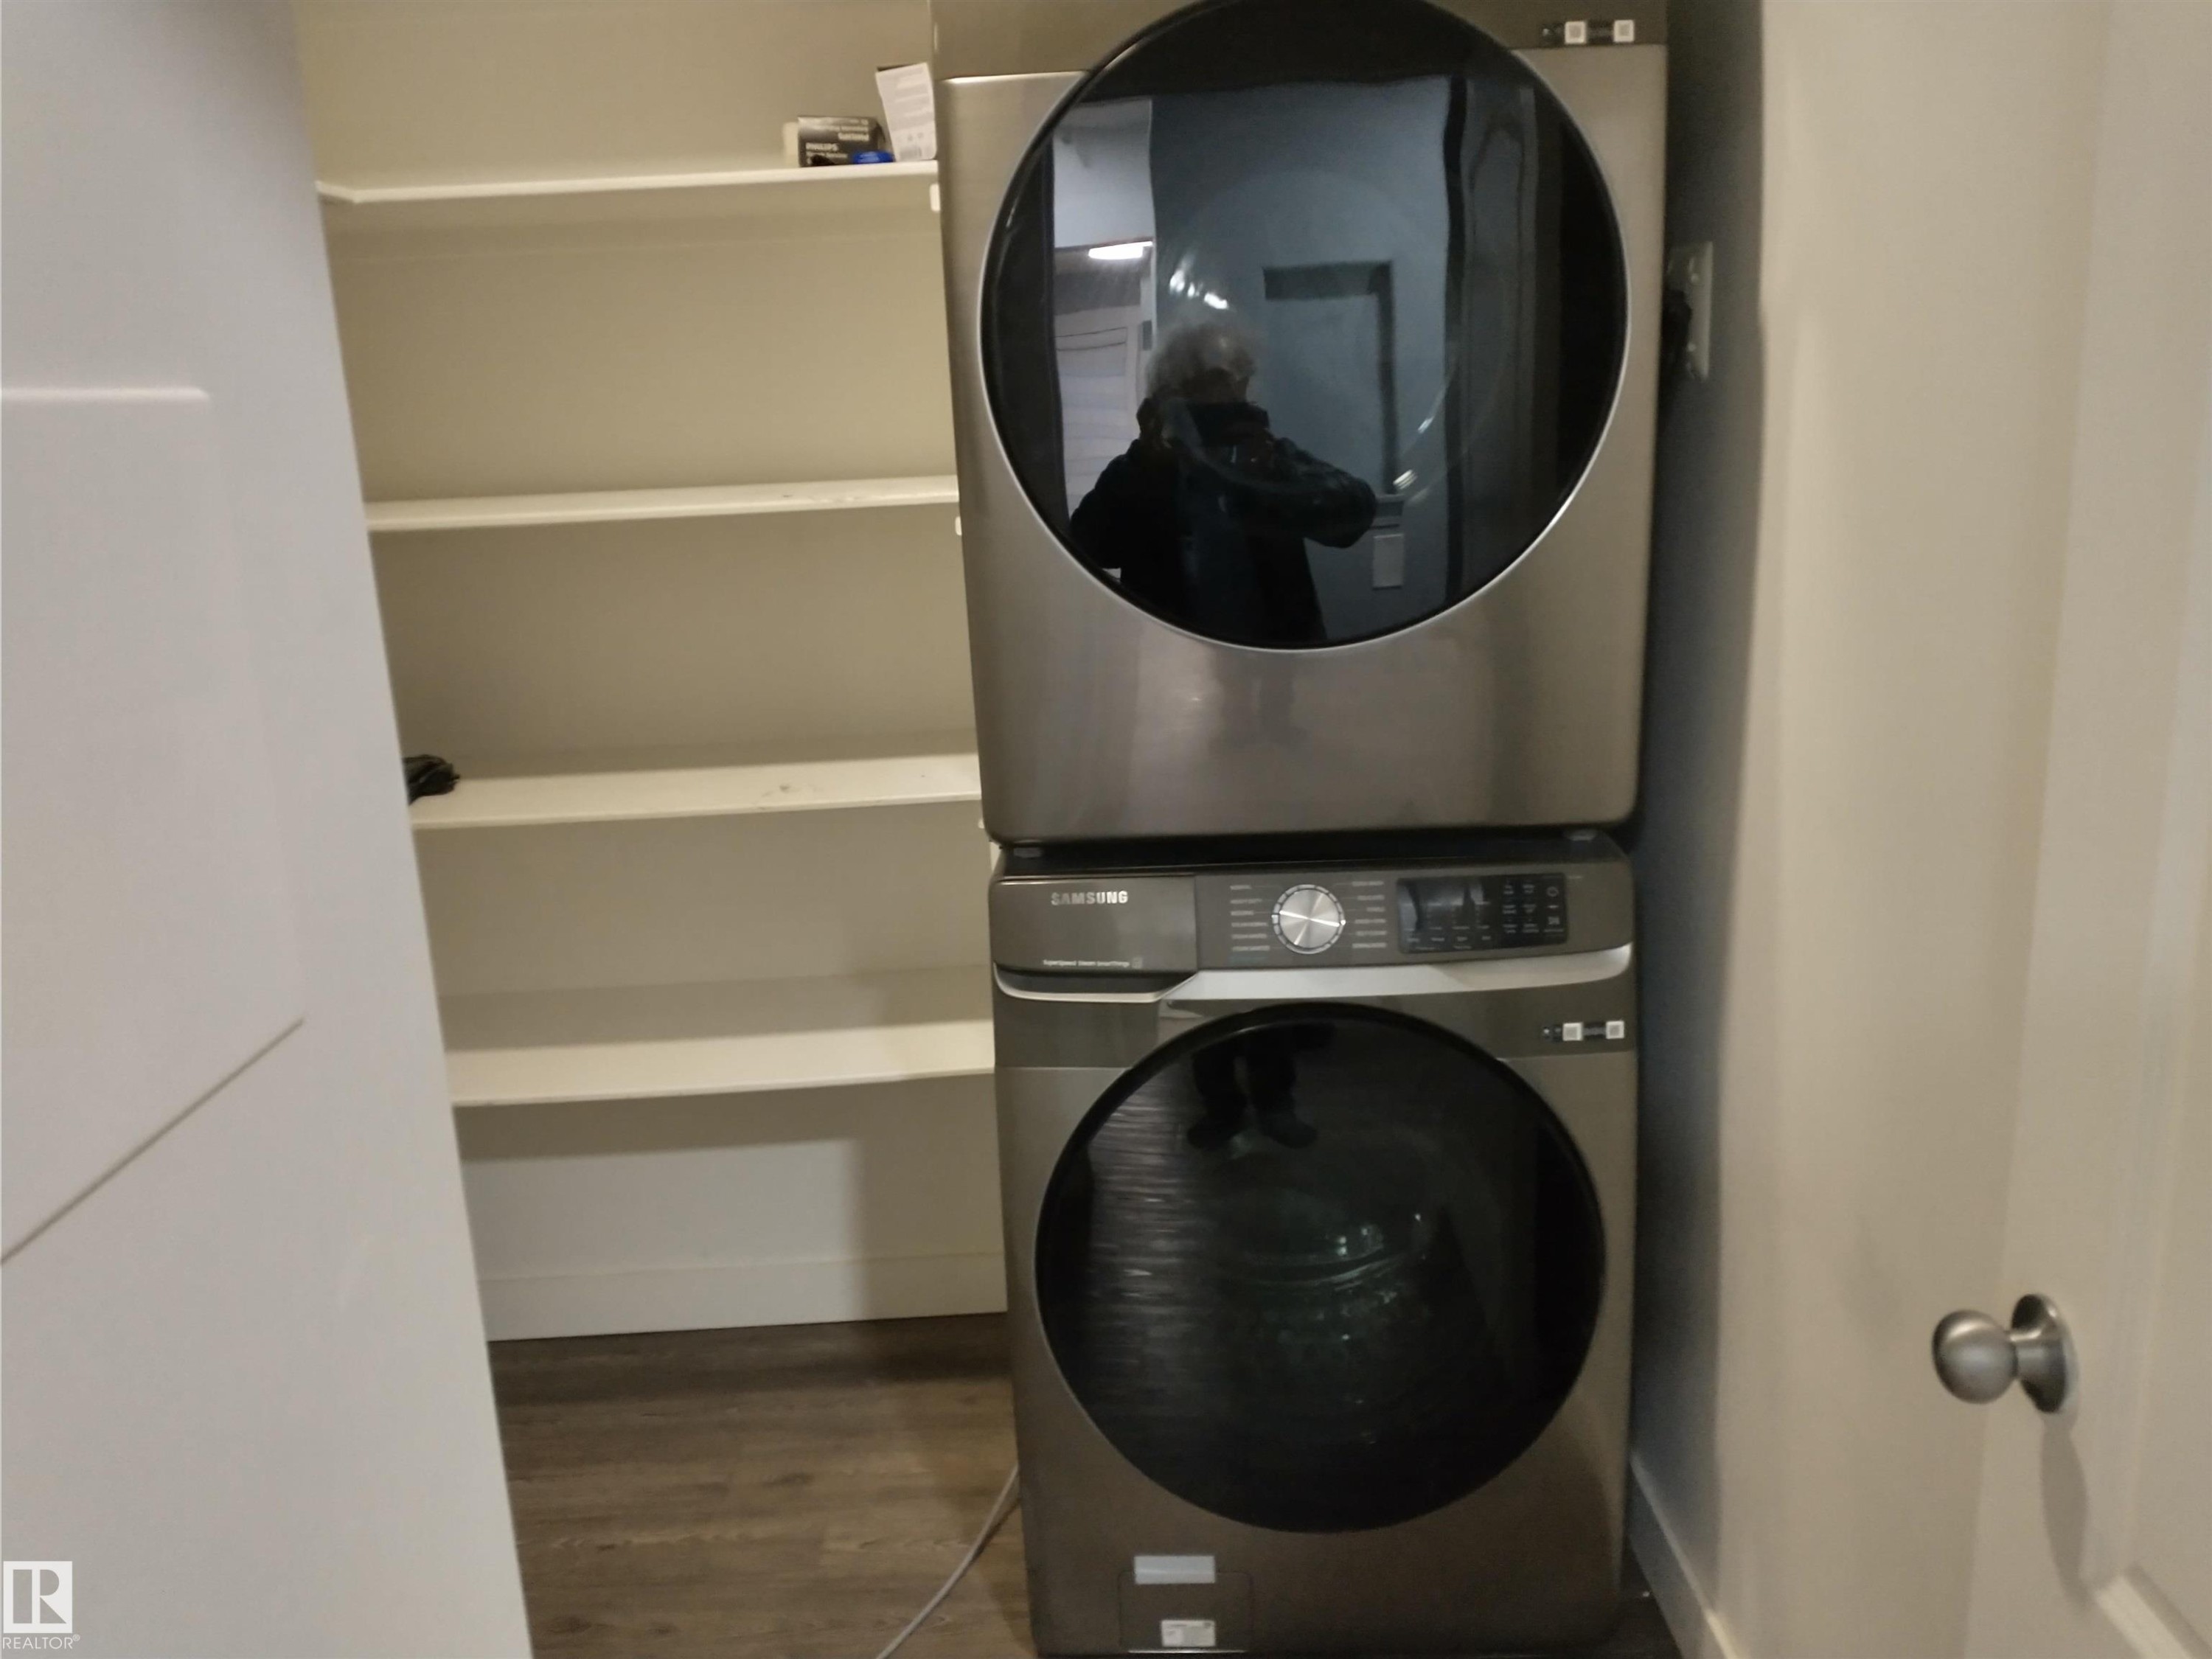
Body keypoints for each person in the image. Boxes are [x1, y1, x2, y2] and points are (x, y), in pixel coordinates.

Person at [1069, 321, 1377, 646]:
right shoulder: (1143, 471)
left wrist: (1274, 475)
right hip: (1174, 665)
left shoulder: (1268, 458)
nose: (1229, 396)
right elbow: (1088, 549)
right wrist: (1144, 462)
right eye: (1208, 386)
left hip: (1278, 668)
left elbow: (1355, 514)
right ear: (1170, 398)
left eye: (1239, 383)